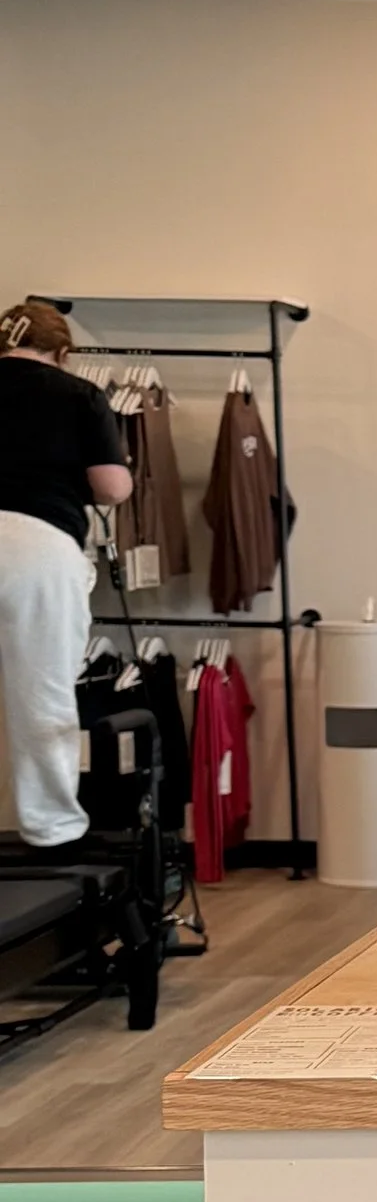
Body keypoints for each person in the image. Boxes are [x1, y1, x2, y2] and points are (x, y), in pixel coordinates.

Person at [0, 300, 132, 851]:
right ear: (62, 353)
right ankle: (51, 827)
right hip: (36, 542)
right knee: (42, 690)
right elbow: (111, 488)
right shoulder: (77, 394)